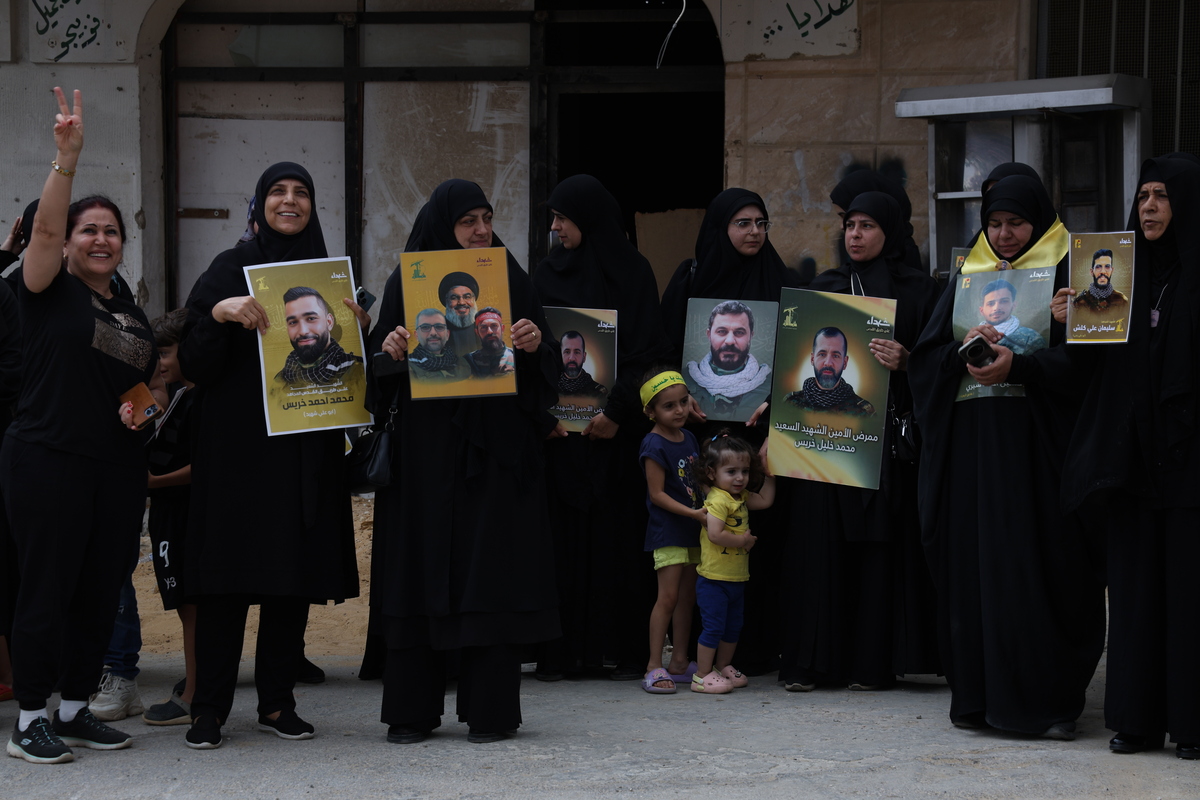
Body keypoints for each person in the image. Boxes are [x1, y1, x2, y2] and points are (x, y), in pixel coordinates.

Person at [908, 174, 1105, 739]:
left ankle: (1049, 705)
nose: (1005, 234)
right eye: (994, 224)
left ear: (1039, 218)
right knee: (977, 569)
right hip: (974, 454)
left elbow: (1093, 368)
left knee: (1043, 567)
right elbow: (928, 358)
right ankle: (980, 698)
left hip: (1041, 453)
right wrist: (961, 354)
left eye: (1015, 223)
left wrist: (1024, 363)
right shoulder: (969, 271)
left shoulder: (1074, 269)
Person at [2, 88, 165, 764]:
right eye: (87, 229)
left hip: (115, 468)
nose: (101, 238)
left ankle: (73, 709)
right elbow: (40, 233)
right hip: (48, 457)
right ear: (67, 243)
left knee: (100, 586)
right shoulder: (45, 291)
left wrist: (146, 409)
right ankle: (30, 718)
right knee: (48, 587)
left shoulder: (127, 309)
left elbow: (140, 385)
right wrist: (66, 157)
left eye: (111, 231)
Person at [369, 178, 559, 744]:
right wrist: (391, 352)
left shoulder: (510, 278)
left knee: (490, 574)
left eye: (486, 218)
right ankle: (411, 710)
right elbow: (378, 372)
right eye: (467, 221)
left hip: (494, 457)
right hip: (424, 461)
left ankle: (491, 709)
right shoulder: (409, 279)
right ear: (441, 226)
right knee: (419, 569)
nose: (481, 231)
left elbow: (545, 366)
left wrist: (531, 346)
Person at [178, 161, 360, 750]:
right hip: (237, 458)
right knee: (227, 583)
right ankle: (208, 709)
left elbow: (355, 386)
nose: (290, 201)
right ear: (257, 206)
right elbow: (195, 365)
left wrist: (359, 330)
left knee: (290, 579)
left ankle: (278, 705)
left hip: (303, 455)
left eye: (301, 192)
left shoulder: (329, 282)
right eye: (278, 192)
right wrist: (219, 313)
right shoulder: (229, 271)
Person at [1059, 153, 1200, 759]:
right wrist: (1069, 322)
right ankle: (1137, 721)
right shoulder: (1117, 280)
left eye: (1162, 196)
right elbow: (1090, 372)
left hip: (1191, 462)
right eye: (1142, 197)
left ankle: (1193, 724)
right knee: (1137, 593)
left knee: (1190, 594)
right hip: (1133, 461)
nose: (1149, 207)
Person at [778, 191, 941, 692]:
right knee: (819, 549)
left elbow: (943, 362)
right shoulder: (822, 290)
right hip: (820, 450)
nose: (855, 235)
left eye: (867, 226)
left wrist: (910, 361)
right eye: (849, 225)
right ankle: (813, 664)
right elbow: (792, 366)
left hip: (883, 451)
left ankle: (871, 665)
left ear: (889, 231)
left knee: (876, 552)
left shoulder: (919, 293)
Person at [533, 174, 672, 682]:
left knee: (616, 539)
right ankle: (560, 652)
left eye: (562, 218)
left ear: (588, 221)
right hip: (560, 442)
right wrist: (543, 414)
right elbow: (530, 353)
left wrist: (616, 413)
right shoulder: (544, 277)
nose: (555, 227)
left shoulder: (632, 274)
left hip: (616, 438)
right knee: (562, 542)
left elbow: (649, 355)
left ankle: (616, 648)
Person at [659, 188, 796, 674]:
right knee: (700, 538)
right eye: (742, 223)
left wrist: (774, 401)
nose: (754, 232)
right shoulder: (690, 279)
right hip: (698, 433)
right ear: (721, 227)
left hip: (759, 436)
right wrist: (680, 394)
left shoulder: (784, 282)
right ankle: (696, 653)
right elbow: (661, 349)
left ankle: (753, 650)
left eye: (761, 222)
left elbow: (798, 361)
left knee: (759, 535)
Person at [140, 309, 197, 726]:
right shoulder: (175, 393)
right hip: (166, 514)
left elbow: (208, 466)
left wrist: (152, 484)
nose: (159, 362)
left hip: (183, 514)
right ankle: (197, 679)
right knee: (184, 607)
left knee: (192, 607)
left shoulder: (201, 399)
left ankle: (194, 695)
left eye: (165, 353)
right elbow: (148, 409)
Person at [688, 432, 775, 694]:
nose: (740, 478)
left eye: (745, 471)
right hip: (714, 580)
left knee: (733, 627)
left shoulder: (741, 497)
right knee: (713, 627)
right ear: (712, 473)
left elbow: (766, 500)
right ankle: (702, 675)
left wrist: (770, 475)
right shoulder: (717, 499)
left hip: (736, 579)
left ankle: (723, 666)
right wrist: (744, 541)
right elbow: (715, 534)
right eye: (732, 471)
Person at [637, 370, 706, 693]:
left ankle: (679, 661)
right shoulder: (653, 443)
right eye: (669, 406)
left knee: (687, 598)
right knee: (667, 597)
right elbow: (657, 494)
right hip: (669, 533)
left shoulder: (689, 437)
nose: (679, 410)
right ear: (651, 412)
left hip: (693, 531)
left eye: (682, 402)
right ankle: (653, 665)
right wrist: (694, 512)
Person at [685, 300, 772, 419]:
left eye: (739, 332)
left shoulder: (772, 385)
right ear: (709, 335)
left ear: (751, 336)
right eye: (722, 332)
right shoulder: (684, 380)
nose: (730, 341)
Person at [274, 286, 363, 388]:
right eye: (293, 322)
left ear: (329, 322)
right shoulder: (280, 381)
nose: (303, 331)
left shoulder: (356, 370)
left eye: (311, 318)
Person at [784, 327, 875, 415]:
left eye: (835, 356)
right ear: (812, 359)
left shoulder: (864, 412)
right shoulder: (790, 403)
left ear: (845, 362)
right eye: (822, 354)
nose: (828, 363)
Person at [974, 278, 1046, 354]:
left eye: (1004, 301)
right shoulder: (972, 338)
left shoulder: (1032, 338)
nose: (996, 308)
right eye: (991, 303)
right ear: (981, 310)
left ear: (1014, 305)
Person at [408, 309, 462, 381]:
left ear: (447, 334)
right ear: (416, 335)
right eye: (425, 327)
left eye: (439, 327)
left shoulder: (462, 363)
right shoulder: (408, 366)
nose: (433, 333)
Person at [1071, 249, 1128, 313]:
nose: (1103, 271)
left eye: (1107, 267)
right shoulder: (1080, 302)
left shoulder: (1121, 301)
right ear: (1092, 272)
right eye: (1098, 267)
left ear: (1112, 271)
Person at [465, 307, 515, 376]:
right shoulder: (469, 361)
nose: (489, 331)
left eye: (494, 326)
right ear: (477, 332)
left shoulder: (515, 357)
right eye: (483, 327)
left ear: (502, 329)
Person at [558, 331, 608, 399]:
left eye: (577, 352)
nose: (572, 358)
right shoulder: (549, 389)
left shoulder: (599, 393)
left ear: (584, 357)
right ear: (560, 355)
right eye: (567, 352)